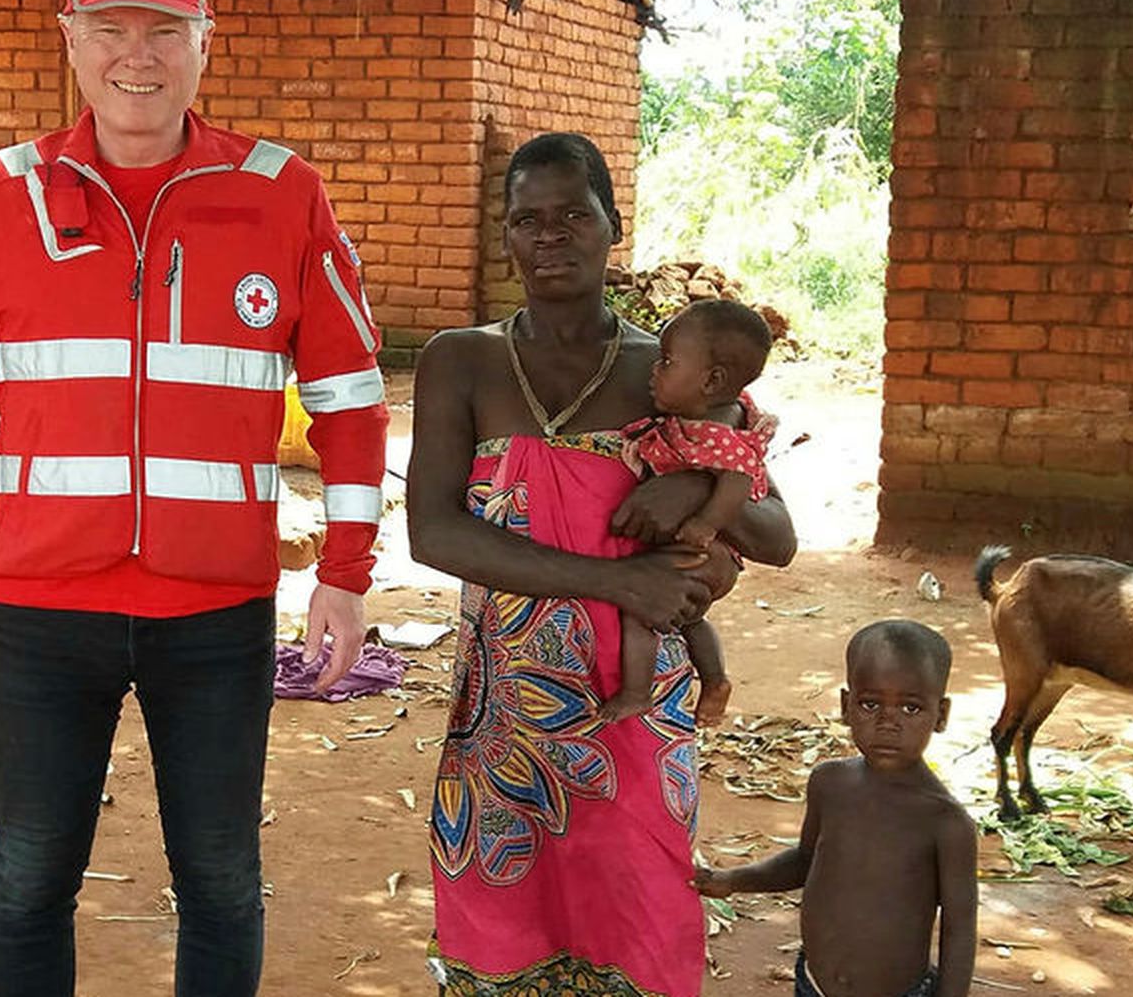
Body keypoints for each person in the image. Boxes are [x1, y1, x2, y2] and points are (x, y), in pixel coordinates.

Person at [0, 0, 387, 997]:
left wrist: (343, 570)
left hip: (214, 613)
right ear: (71, 41)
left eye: (162, 31)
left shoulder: (281, 192)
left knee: (218, 878)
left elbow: (345, 399)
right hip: (41, 608)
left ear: (204, 42)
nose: (135, 57)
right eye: (109, 30)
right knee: (25, 877)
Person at [408, 132, 795, 996]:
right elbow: (432, 532)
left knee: (639, 920)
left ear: (613, 225)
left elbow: (775, 534)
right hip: (502, 716)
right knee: (502, 927)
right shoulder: (460, 361)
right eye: (526, 220)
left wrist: (695, 481)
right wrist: (617, 578)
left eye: (573, 214)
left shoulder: (675, 371)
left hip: (632, 710)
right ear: (505, 237)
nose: (550, 235)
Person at [694, 620, 979, 997]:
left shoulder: (945, 823)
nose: (887, 723)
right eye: (870, 704)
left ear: (940, 715)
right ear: (847, 707)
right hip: (812, 985)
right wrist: (734, 880)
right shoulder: (829, 783)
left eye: (911, 708)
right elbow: (806, 860)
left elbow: (960, 929)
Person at [601, 298, 777, 724]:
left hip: (709, 548)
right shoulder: (701, 422)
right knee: (687, 617)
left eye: (666, 362)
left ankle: (637, 693)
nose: (654, 370)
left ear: (711, 380)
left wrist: (704, 520)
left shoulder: (718, 435)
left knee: (641, 605)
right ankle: (714, 679)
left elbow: (738, 479)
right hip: (707, 550)